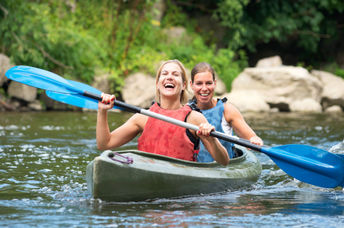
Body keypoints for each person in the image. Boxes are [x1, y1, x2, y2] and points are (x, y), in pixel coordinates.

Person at [96, 60, 229, 165]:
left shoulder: (194, 119)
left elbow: (224, 161)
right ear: (158, 84)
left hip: (181, 190)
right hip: (147, 175)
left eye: (175, 74)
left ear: (183, 85)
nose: (169, 77)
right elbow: (105, 144)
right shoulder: (142, 118)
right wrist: (102, 112)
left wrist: (212, 140)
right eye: (164, 74)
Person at [189, 62, 263, 162]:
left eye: (208, 83)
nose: (204, 88)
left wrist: (255, 140)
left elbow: (252, 138)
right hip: (197, 169)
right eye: (199, 83)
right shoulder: (186, 111)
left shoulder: (227, 110)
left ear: (215, 84)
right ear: (191, 85)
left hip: (225, 168)